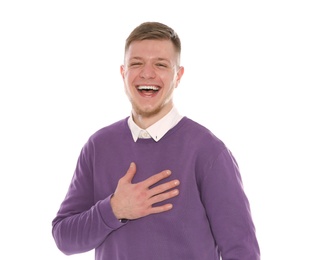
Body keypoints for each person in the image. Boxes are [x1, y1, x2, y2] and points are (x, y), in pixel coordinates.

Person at [52, 21, 260, 260]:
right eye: (136, 63)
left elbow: (242, 251)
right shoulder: (98, 147)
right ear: (123, 73)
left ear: (178, 76)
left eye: (160, 64)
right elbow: (64, 237)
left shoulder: (208, 151)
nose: (147, 73)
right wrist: (114, 209)